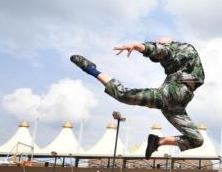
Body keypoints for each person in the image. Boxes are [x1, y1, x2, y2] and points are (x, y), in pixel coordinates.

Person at [70, 38, 205, 158]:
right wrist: (139, 46)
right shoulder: (171, 54)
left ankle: (158, 141)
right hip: (169, 96)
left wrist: (139, 46)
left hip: (177, 101)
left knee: (197, 140)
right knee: (124, 95)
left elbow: (157, 49)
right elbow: (156, 50)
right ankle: (91, 69)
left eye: (158, 41)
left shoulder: (177, 49)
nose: (157, 42)